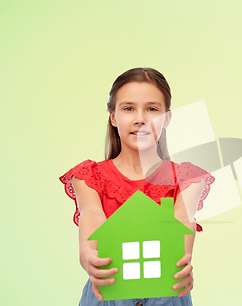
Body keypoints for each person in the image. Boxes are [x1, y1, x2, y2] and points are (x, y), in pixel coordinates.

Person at [60, 68, 214, 306]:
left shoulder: (187, 178)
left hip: (166, 292)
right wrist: (88, 256)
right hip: (107, 291)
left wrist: (181, 264)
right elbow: (91, 218)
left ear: (167, 118)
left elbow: (183, 224)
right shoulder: (90, 176)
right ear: (113, 117)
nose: (140, 118)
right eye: (128, 108)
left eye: (152, 109)